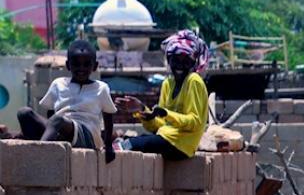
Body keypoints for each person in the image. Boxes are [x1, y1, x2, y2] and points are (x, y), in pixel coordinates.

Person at [114, 30, 209, 161]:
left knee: (130, 145)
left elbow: (195, 122)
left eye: (186, 61)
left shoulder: (194, 80)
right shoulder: (168, 84)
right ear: (169, 60)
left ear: (193, 63)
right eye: (176, 60)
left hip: (182, 145)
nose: (180, 66)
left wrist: (167, 114)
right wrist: (142, 110)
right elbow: (160, 126)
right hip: (165, 138)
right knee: (132, 142)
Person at [18, 39, 118, 162]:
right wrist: (52, 131)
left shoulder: (101, 88)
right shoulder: (58, 84)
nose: (81, 68)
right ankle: (40, 146)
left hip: (87, 135)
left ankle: (39, 156)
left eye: (86, 64)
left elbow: (108, 117)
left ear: (95, 66)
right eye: (76, 64)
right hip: (61, 130)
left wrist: (108, 146)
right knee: (24, 113)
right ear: (68, 65)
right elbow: (50, 113)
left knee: (58, 120)